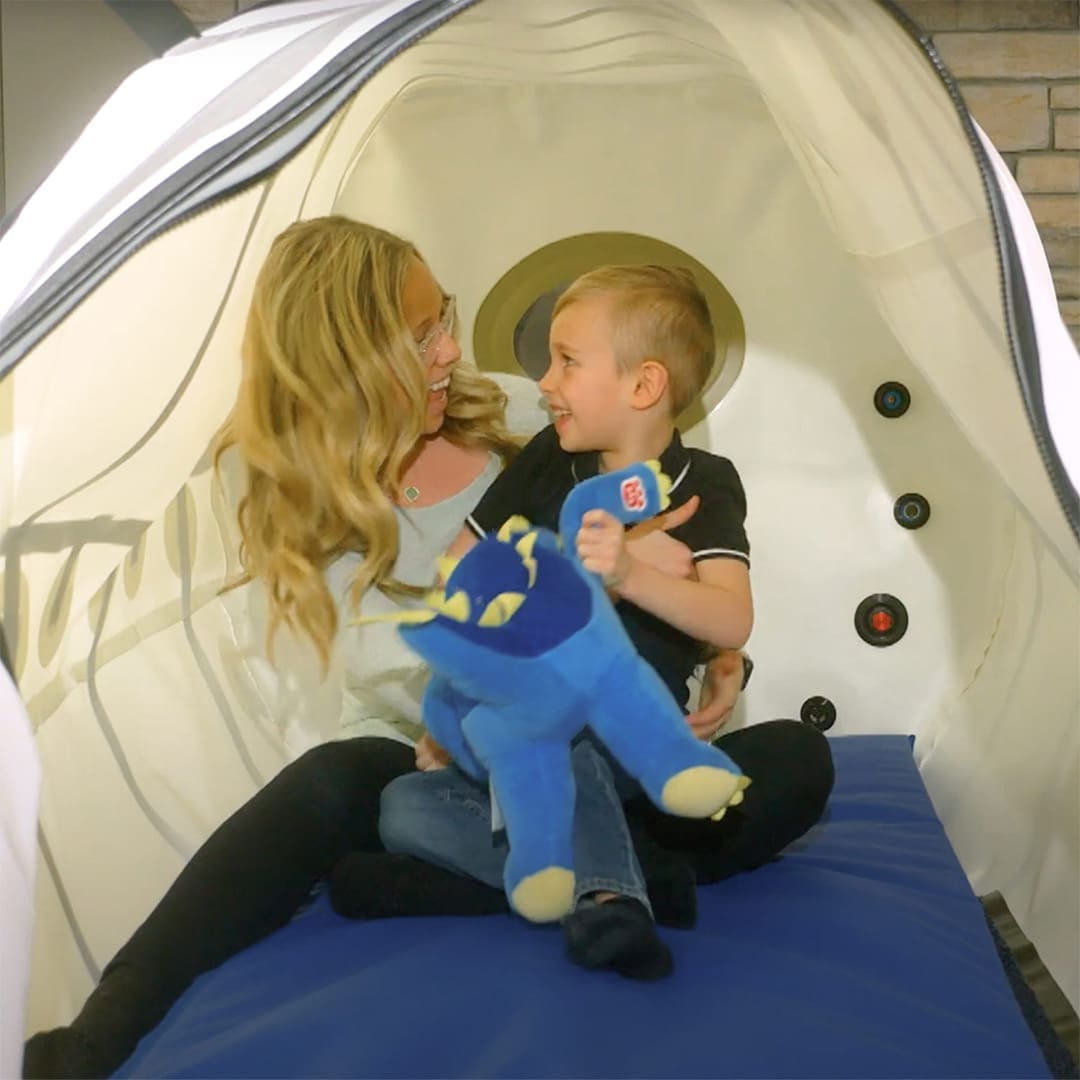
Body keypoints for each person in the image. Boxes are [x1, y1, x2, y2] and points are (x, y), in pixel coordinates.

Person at [21, 218, 790, 1080]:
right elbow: (398, 659)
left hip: (597, 727)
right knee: (325, 785)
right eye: (422, 335)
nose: (451, 350)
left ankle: (528, 876)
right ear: (349, 357)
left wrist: (716, 646)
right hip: (430, 746)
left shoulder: (531, 415)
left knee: (795, 767)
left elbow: (679, 525)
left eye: (446, 318)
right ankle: (98, 1035)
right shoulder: (277, 490)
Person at [377, 265, 756, 980]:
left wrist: (632, 573)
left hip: (623, 738)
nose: (544, 382)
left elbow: (731, 617)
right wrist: (447, 706)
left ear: (643, 386)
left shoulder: (703, 481)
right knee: (402, 807)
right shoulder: (552, 460)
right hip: (516, 732)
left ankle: (610, 900)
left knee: (570, 721)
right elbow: (462, 571)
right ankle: (625, 874)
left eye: (567, 363)